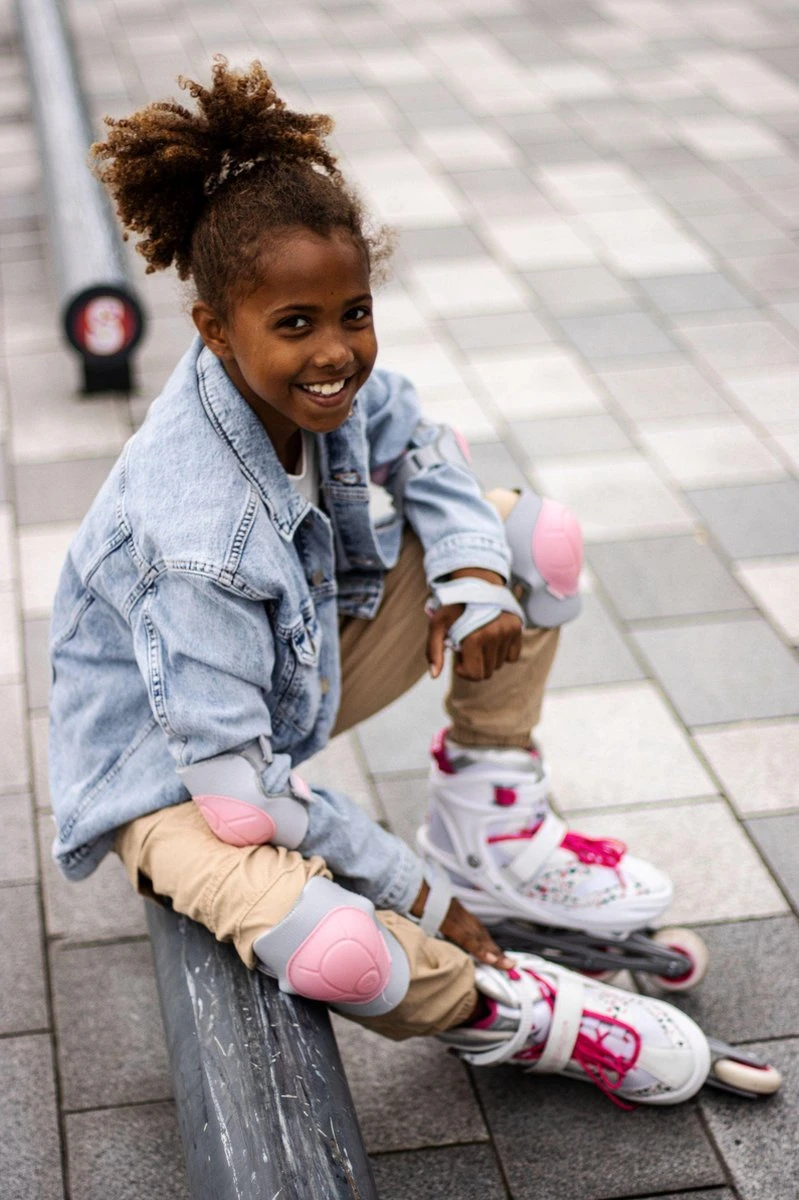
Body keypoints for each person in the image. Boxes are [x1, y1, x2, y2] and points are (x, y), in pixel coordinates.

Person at [48, 58, 713, 1108]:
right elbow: (243, 804)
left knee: (527, 542)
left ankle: (490, 831)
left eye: (352, 313)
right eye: (295, 325)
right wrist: (416, 891)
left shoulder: (327, 385)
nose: (335, 354)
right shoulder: (198, 537)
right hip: (175, 777)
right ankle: (508, 1010)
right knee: (341, 950)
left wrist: (472, 576)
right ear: (214, 329)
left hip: (283, 686)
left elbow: (427, 451)